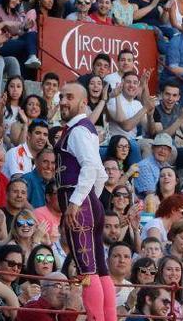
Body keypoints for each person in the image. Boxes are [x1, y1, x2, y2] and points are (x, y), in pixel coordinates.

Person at [54, 82, 116, 321]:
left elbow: (91, 167)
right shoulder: (86, 128)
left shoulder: (77, 130)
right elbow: (100, 172)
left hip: (78, 203)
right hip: (89, 204)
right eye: (61, 97)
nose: (63, 101)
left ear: (83, 102)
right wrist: (92, 200)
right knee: (100, 268)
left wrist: (77, 202)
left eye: (69, 97)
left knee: (86, 270)